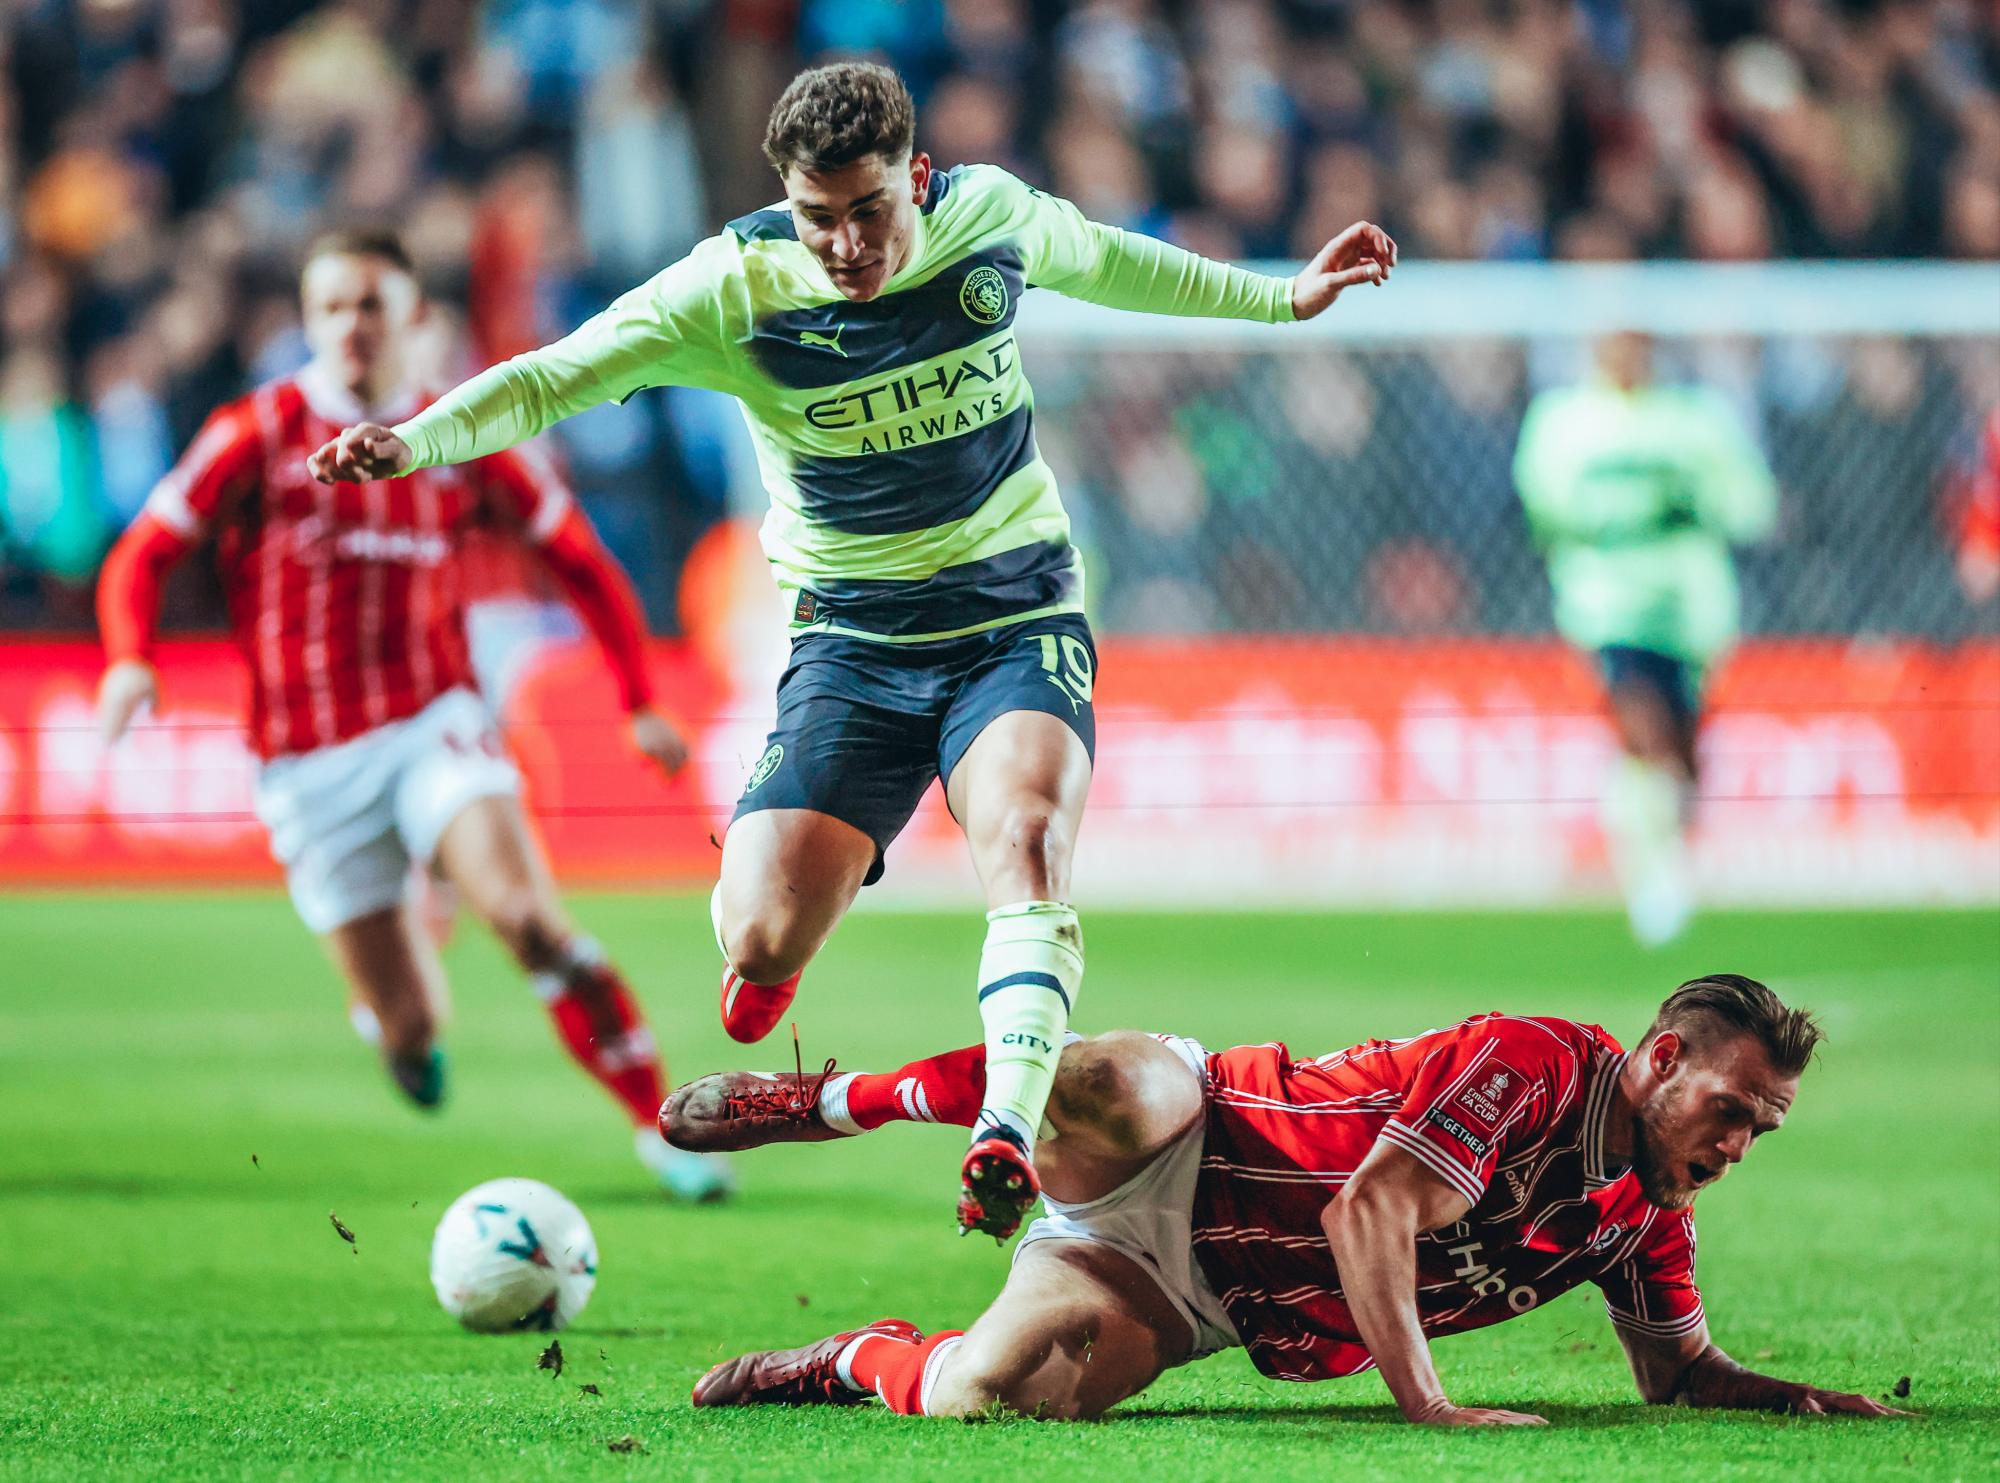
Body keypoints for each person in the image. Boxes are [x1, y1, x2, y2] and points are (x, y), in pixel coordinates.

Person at [305, 61, 1397, 1238]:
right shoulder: (733, 287)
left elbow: (1116, 260)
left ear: (913, 178)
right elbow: (559, 375)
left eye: (866, 210)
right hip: (852, 644)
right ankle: (770, 951)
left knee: (1026, 843)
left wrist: (1279, 300)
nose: (840, 242)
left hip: (1012, 614)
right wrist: (417, 442)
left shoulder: (988, 220)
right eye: (816, 215)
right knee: (763, 926)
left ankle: (1005, 1131)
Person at [94, 229, 730, 1201]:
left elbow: (580, 559)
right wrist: (131, 659)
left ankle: (660, 1126)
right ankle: (396, 1005)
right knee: (412, 1043)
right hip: (305, 765)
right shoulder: (256, 432)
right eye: (333, 307)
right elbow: (142, 550)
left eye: (371, 304)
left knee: (531, 922)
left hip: (432, 722)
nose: (352, 325)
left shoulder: (454, 433)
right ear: (307, 322)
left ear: (413, 317)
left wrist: (639, 700)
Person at [663, 975, 1909, 1427]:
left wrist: (1811, 1402)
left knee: (988, 1393)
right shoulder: (1535, 1063)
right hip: (1203, 1124)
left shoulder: (1644, 1218)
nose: (1739, 1141)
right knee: (1102, 1083)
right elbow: (1366, 1212)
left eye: (1762, 1126)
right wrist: (1428, 1406)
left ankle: (842, 1359)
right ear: (1657, 1058)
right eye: (1732, 1108)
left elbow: (1679, 1373)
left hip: (1186, 1290)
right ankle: (836, 1100)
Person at [1514, 332, 1777, 947]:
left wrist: (1693, 505)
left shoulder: (1696, 420)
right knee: (1643, 732)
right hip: (1605, 607)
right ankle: (1646, 877)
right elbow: (1543, 507)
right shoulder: (1563, 421)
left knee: (1680, 755)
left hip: (1691, 612)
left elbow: (1751, 505)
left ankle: (1663, 862)